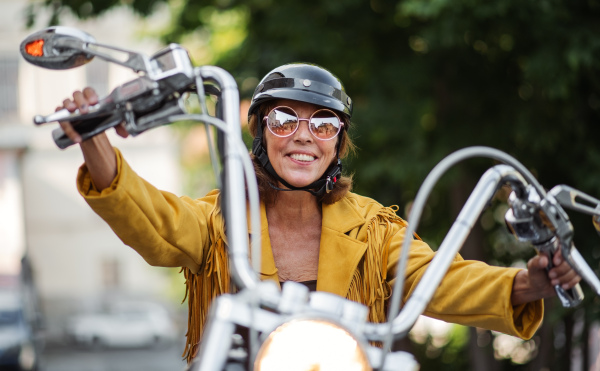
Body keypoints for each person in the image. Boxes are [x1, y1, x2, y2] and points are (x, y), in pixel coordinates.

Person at [58, 63, 581, 363]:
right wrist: (95, 143)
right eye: (284, 119)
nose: (304, 135)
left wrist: (529, 283)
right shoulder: (220, 223)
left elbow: (445, 279)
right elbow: (152, 221)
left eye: (323, 124)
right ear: (260, 133)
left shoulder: (374, 229)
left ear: (338, 142)